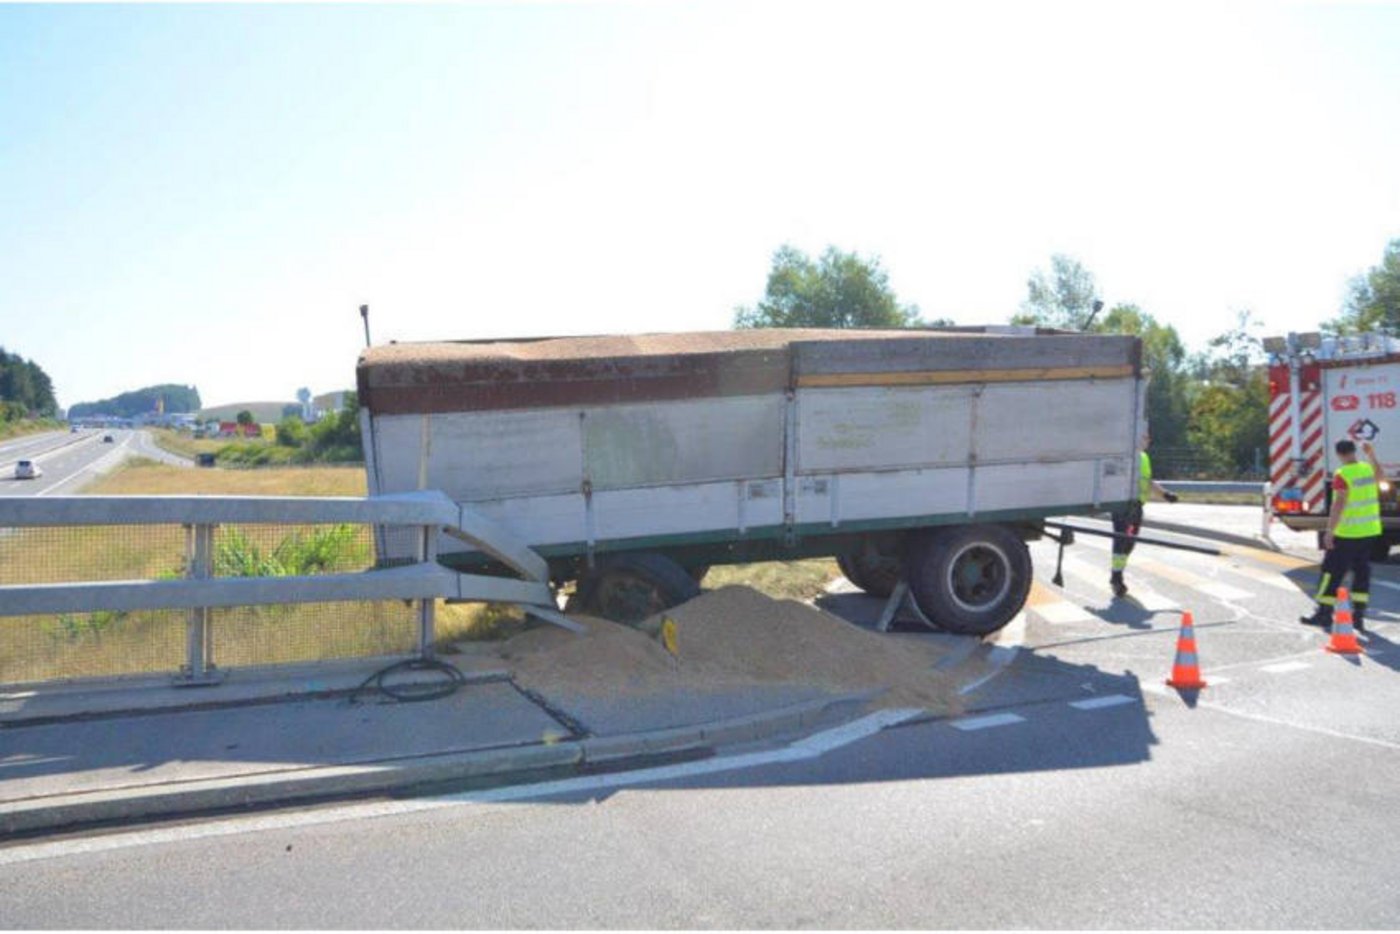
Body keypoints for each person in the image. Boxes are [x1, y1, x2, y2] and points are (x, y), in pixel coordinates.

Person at [1300, 439, 1384, 633]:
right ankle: (1359, 617)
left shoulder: (1342, 474)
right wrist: (1371, 454)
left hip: (1347, 533)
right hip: (1369, 531)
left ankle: (1323, 614)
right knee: (1361, 573)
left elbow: (1339, 504)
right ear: (1354, 451)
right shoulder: (1366, 468)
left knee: (1331, 573)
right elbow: (1381, 477)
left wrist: (1329, 531)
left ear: (1339, 454)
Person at [1110, 435, 1179, 598]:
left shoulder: (1144, 458)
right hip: (1122, 506)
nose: (1148, 441)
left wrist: (1165, 494)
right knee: (1121, 542)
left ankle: (1117, 573)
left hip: (1137, 507)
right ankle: (1116, 578)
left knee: (1130, 543)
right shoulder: (1124, 456)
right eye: (1145, 438)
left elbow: (1147, 481)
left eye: (1148, 439)